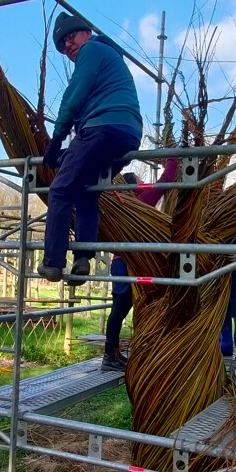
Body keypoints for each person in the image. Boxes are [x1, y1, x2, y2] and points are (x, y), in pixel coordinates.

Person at [39, 13, 143, 285]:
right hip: (127, 132)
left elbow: (73, 95)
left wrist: (56, 140)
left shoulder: (92, 49)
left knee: (60, 190)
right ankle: (83, 260)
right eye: (62, 46)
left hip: (103, 127)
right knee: (85, 193)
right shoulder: (110, 59)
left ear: (85, 32)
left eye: (70, 38)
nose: (68, 47)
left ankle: (52, 262)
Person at [102, 157, 178, 370]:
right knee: (121, 307)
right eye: (140, 181)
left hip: (121, 264)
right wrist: (173, 161)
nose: (144, 182)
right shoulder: (138, 205)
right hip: (126, 264)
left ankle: (114, 353)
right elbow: (165, 182)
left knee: (124, 306)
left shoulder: (123, 208)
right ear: (134, 188)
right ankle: (110, 355)